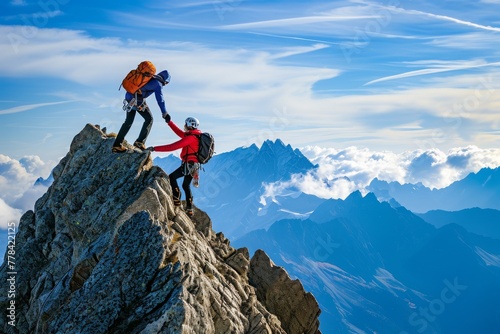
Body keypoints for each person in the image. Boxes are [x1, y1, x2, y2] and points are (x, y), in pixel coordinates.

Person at [147, 116, 201, 216]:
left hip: (188, 165)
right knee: (186, 185)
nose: (184, 126)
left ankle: (176, 196)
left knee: (172, 177)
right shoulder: (193, 136)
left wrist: (155, 148)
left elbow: (173, 146)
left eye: (186, 124)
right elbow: (178, 132)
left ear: (189, 125)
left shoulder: (190, 138)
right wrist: (169, 122)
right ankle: (189, 209)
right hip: (194, 165)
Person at [112, 70, 171, 153]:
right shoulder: (158, 84)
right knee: (149, 119)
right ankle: (139, 142)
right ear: (166, 80)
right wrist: (165, 113)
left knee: (128, 121)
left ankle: (117, 145)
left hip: (129, 97)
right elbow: (160, 100)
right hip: (137, 100)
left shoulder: (150, 78)